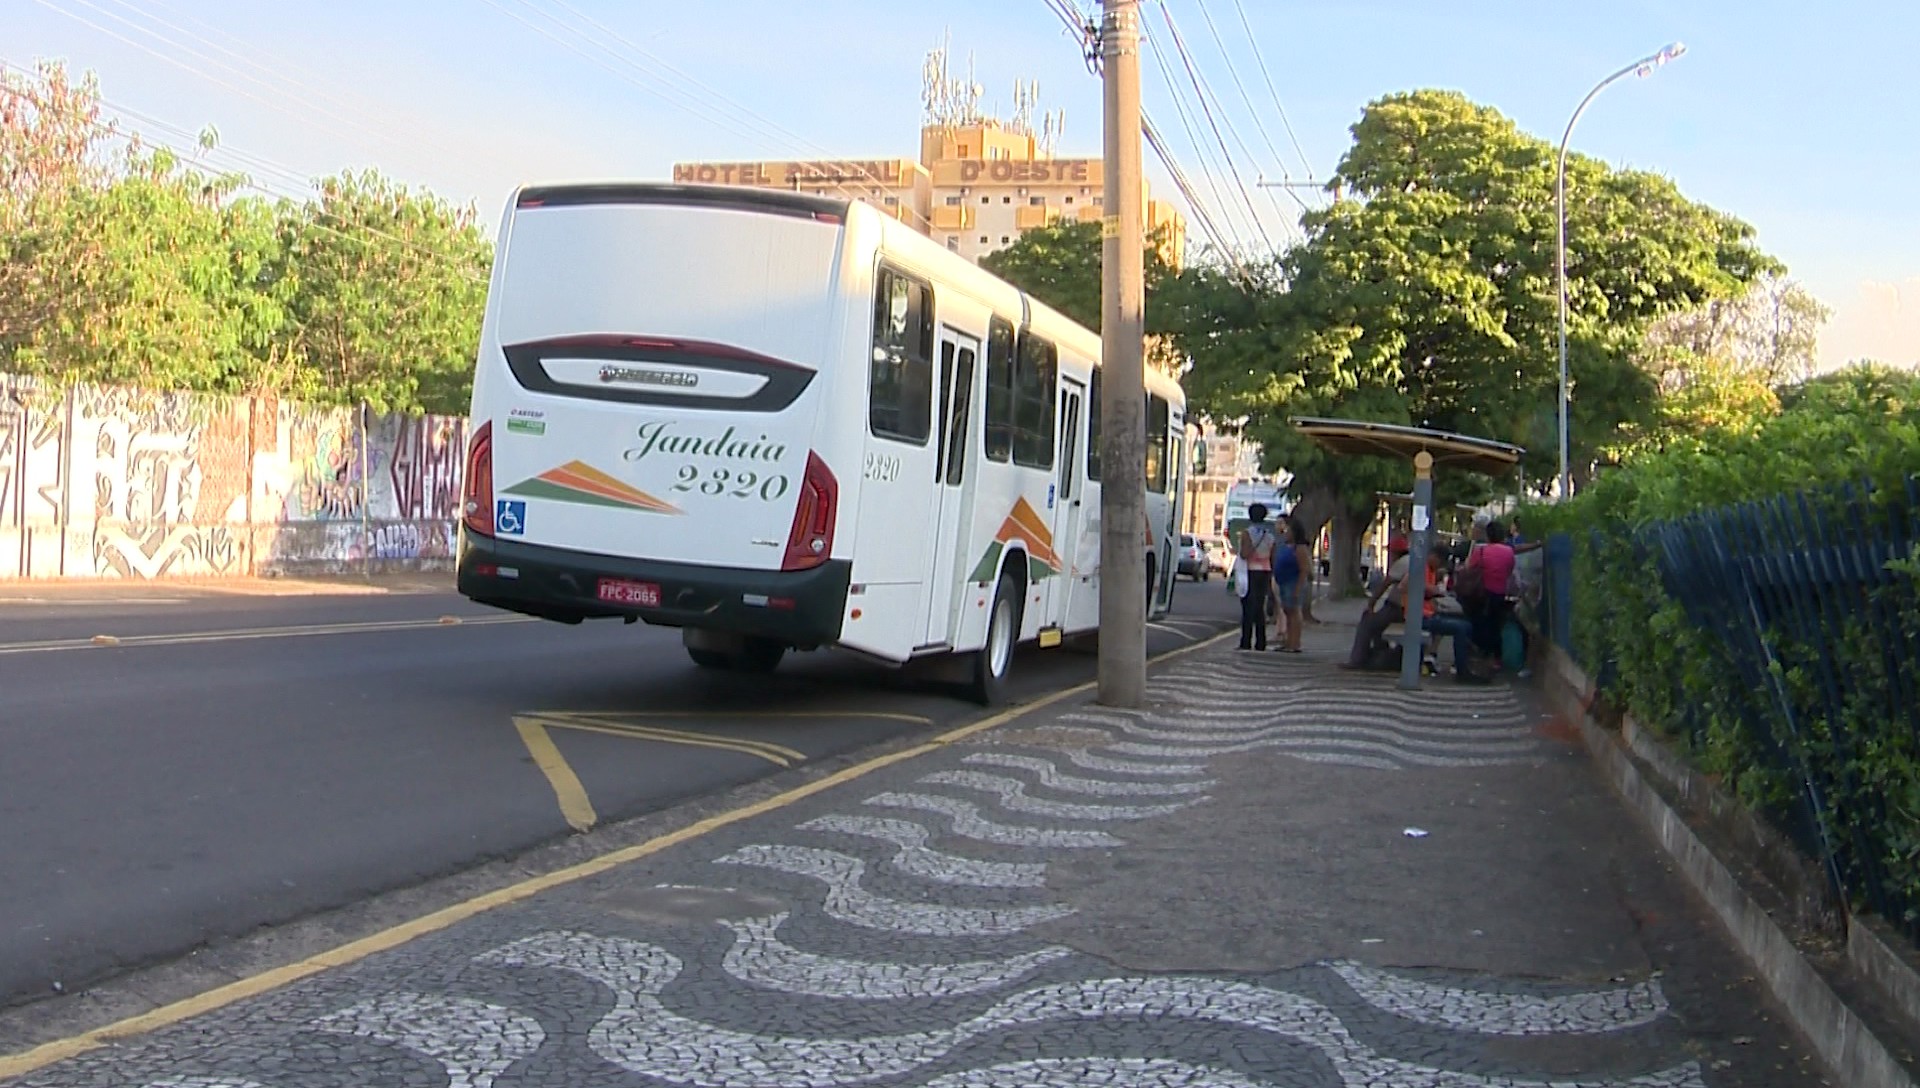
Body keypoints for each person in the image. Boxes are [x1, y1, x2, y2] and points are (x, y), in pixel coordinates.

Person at [1340, 534, 1411, 669]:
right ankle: (1379, 655)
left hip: (1397, 608)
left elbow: (1385, 584)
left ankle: (1357, 659)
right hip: (1403, 608)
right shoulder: (1412, 561)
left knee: (1367, 623)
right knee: (1377, 626)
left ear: (1395, 552)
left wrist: (1371, 603)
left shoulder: (1403, 563)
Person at [1417, 549, 1483, 683]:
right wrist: (1434, 590)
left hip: (1428, 613)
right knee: (1461, 628)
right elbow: (1413, 586)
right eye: (1439, 562)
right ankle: (1462, 670)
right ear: (1433, 556)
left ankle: (1462, 663)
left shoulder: (1430, 571)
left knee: (1465, 623)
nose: (1439, 566)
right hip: (1420, 617)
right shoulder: (1420, 570)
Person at [1463, 520, 1517, 661]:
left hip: (1480, 593)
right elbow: (1509, 571)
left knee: (1479, 623)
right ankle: (1494, 657)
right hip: (1499, 593)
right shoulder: (1509, 552)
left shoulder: (1480, 551)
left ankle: (1478, 654)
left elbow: (1469, 569)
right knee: (1495, 625)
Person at [1235, 503, 1277, 652]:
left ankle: (1245, 641)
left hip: (1250, 571)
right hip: (1265, 571)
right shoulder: (1270, 535)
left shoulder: (1247, 533)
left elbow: (1244, 554)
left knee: (1247, 607)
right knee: (1259, 607)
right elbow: (1273, 556)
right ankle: (1261, 642)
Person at [1274, 518, 1311, 652]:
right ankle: (1288, 641)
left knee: (1294, 612)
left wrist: (1298, 588)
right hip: (1284, 582)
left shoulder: (1300, 548)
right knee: (1288, 612)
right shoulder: (1286, 546)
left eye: (1288, 530)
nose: (1286, 533)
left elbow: (1304, 569)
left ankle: (1295, 643)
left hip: (1293, 582)